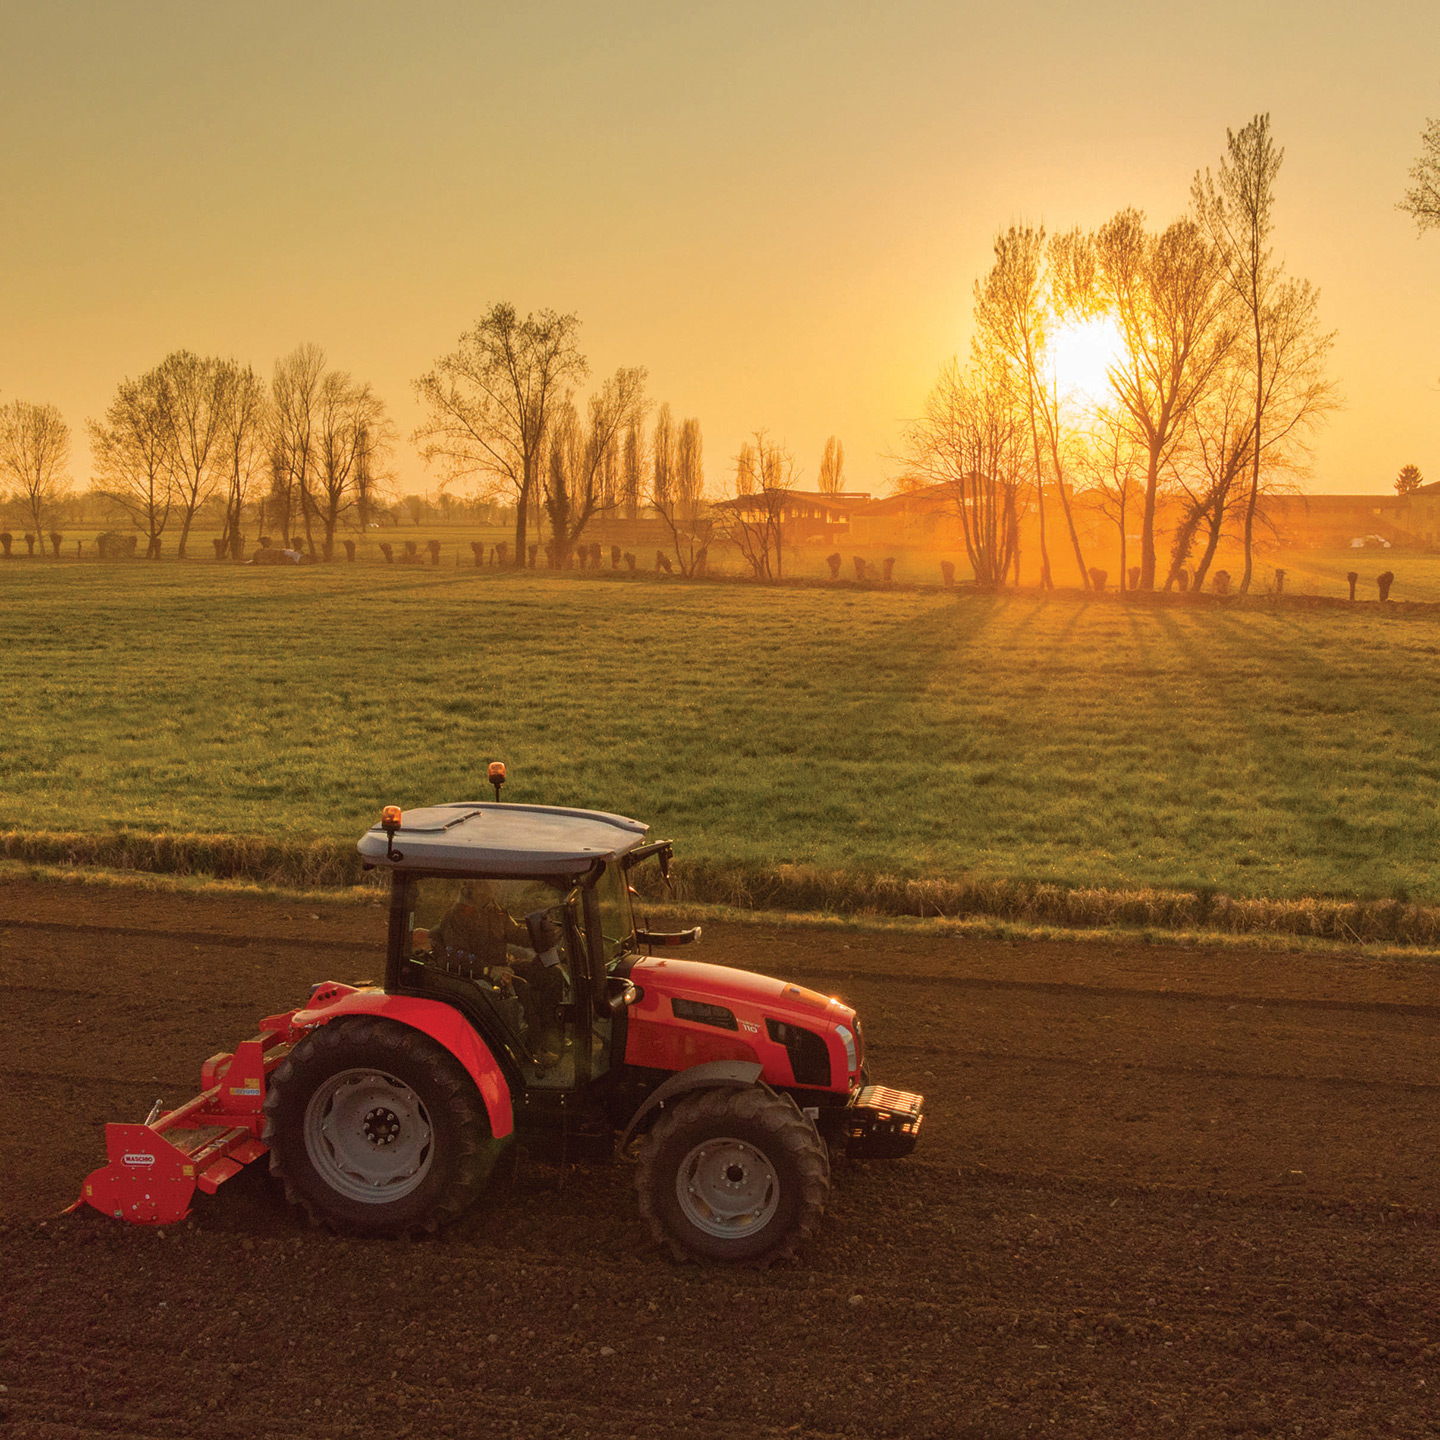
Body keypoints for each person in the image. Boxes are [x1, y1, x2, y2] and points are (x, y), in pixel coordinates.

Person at [427, 884, 565, 1064]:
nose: (494, 888)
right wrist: (489, 969)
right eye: (488, 885)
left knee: (552, 974)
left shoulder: (495, 911)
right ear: (473, 889)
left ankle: (551, 1035)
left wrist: (549, 935)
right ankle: (532, 1049)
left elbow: (516, 934)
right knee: (522, 987)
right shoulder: (456, 916)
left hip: (504, 967)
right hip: (476, 975)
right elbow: (456, 955)